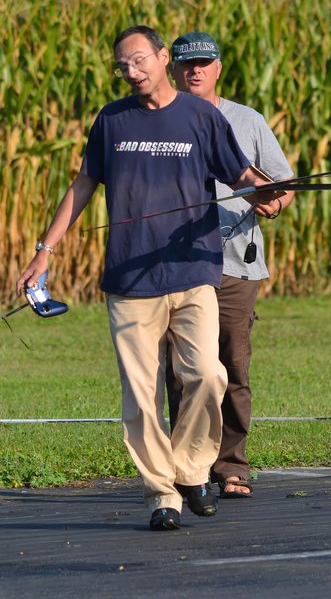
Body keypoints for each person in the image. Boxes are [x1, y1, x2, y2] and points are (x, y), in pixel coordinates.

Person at [16, 26, 280, 531]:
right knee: (141, 398)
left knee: (209, 375)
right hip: (130, 279)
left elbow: (242, 174)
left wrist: (266, 193)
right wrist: (45, 250)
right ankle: (163, 494)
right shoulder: (112, 119)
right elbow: (84, 183)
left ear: (162, 58)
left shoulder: (201, 116)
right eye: (123, 66)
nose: (132, 72)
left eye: (139, 61)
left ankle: (191, 469)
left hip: (194, 271)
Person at [169, 31, 295, 498]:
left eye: (204, 62)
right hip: (178, 267)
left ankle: (231, 466)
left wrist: (274, 203)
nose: (195, 70)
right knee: (182, 371)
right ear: (171, 69)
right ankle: (186, 468)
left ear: (218, 68)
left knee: (233, 366)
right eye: (186, 64)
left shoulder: (247, 120)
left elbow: (282, 183)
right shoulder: (159, 121)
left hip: (235, 264)